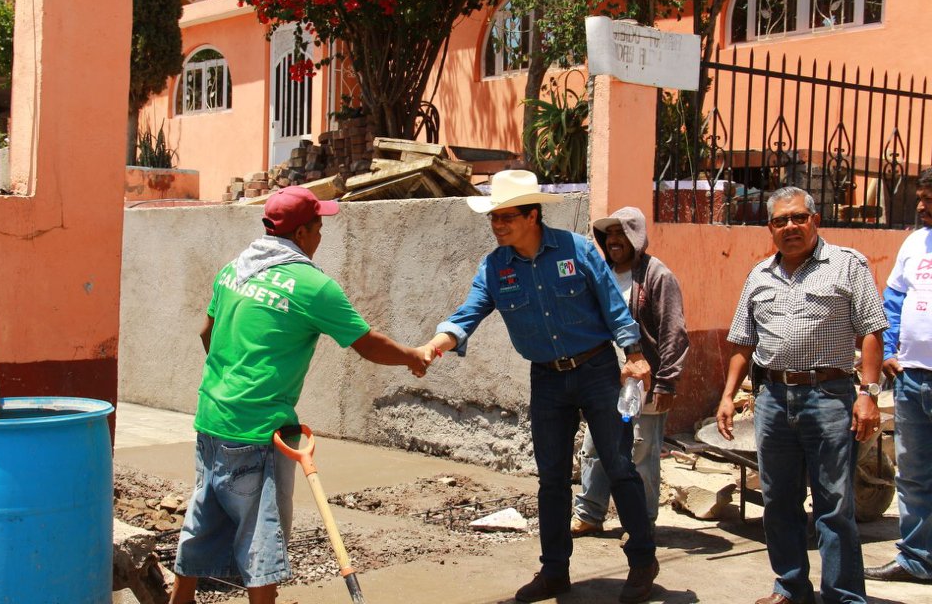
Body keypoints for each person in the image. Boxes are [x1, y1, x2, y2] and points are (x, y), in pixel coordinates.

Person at [171, 186, 433, 604]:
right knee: (262, 546)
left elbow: (207, 332)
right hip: (258, 434)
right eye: (319, 227)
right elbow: (367, 344)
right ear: (303, 233)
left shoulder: (234, 270)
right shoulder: (312, 286)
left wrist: (233, 381)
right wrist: (413, 357)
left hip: (211, 419)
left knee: (200, 528)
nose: (321, 237)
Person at [425, 170, 659, 604]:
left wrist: (634, 353)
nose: (497, 226)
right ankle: (555, 573)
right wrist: (436, 345)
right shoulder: (495, 267)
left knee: (618, 464)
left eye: (506, 217)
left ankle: (643, 561)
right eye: (493, 218)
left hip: (596, 372)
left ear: (533, 215)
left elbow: (613, 304)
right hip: (547, 379)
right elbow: (469, 312)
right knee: (551, 479)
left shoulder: (577, 249)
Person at [715, 186, 887, 604]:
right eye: (780, 221)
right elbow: (742, 343)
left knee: (834, 503)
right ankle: (791, 587)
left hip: (829, 395)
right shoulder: (759, 275)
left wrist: (868, 394)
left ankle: (843, 595)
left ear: (815, 220)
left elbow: (871, 331)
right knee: (778, 501)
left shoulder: (848, 265)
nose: (790, 226)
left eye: (798, 218)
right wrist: (726, 396)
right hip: (772, 398)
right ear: (770, 228)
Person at [572, 207, 689, 536]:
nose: (613, 241)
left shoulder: (657, 276)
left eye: (620, 233)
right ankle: (590, 514)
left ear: (636, 237)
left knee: (640, 452)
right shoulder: (601, 273)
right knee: (594, 449)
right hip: (602, 381)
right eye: (608, 234)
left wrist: (667, 382)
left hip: (644, 383)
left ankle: (640, 522)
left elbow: (673, 332)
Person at [863, 168, 932, 584]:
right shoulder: (914, 242)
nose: (921, 206)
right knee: (913, 475)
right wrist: (889, 353)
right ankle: (917, 559)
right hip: (911, 380)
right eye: (921, 198)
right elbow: (892, 299)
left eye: (929, 199)